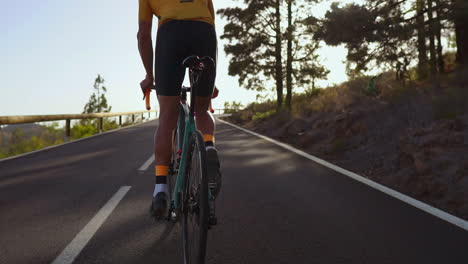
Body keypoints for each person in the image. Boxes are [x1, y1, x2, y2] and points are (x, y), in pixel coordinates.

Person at [137, 0, 221, 219]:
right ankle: (209, 148)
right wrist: (210, 81)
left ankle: (160, 189)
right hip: (203, 34)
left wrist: (149, 75)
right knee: (201, 110)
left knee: (167, 116)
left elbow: (143, 35)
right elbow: (210, 22)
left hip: (170, 35)